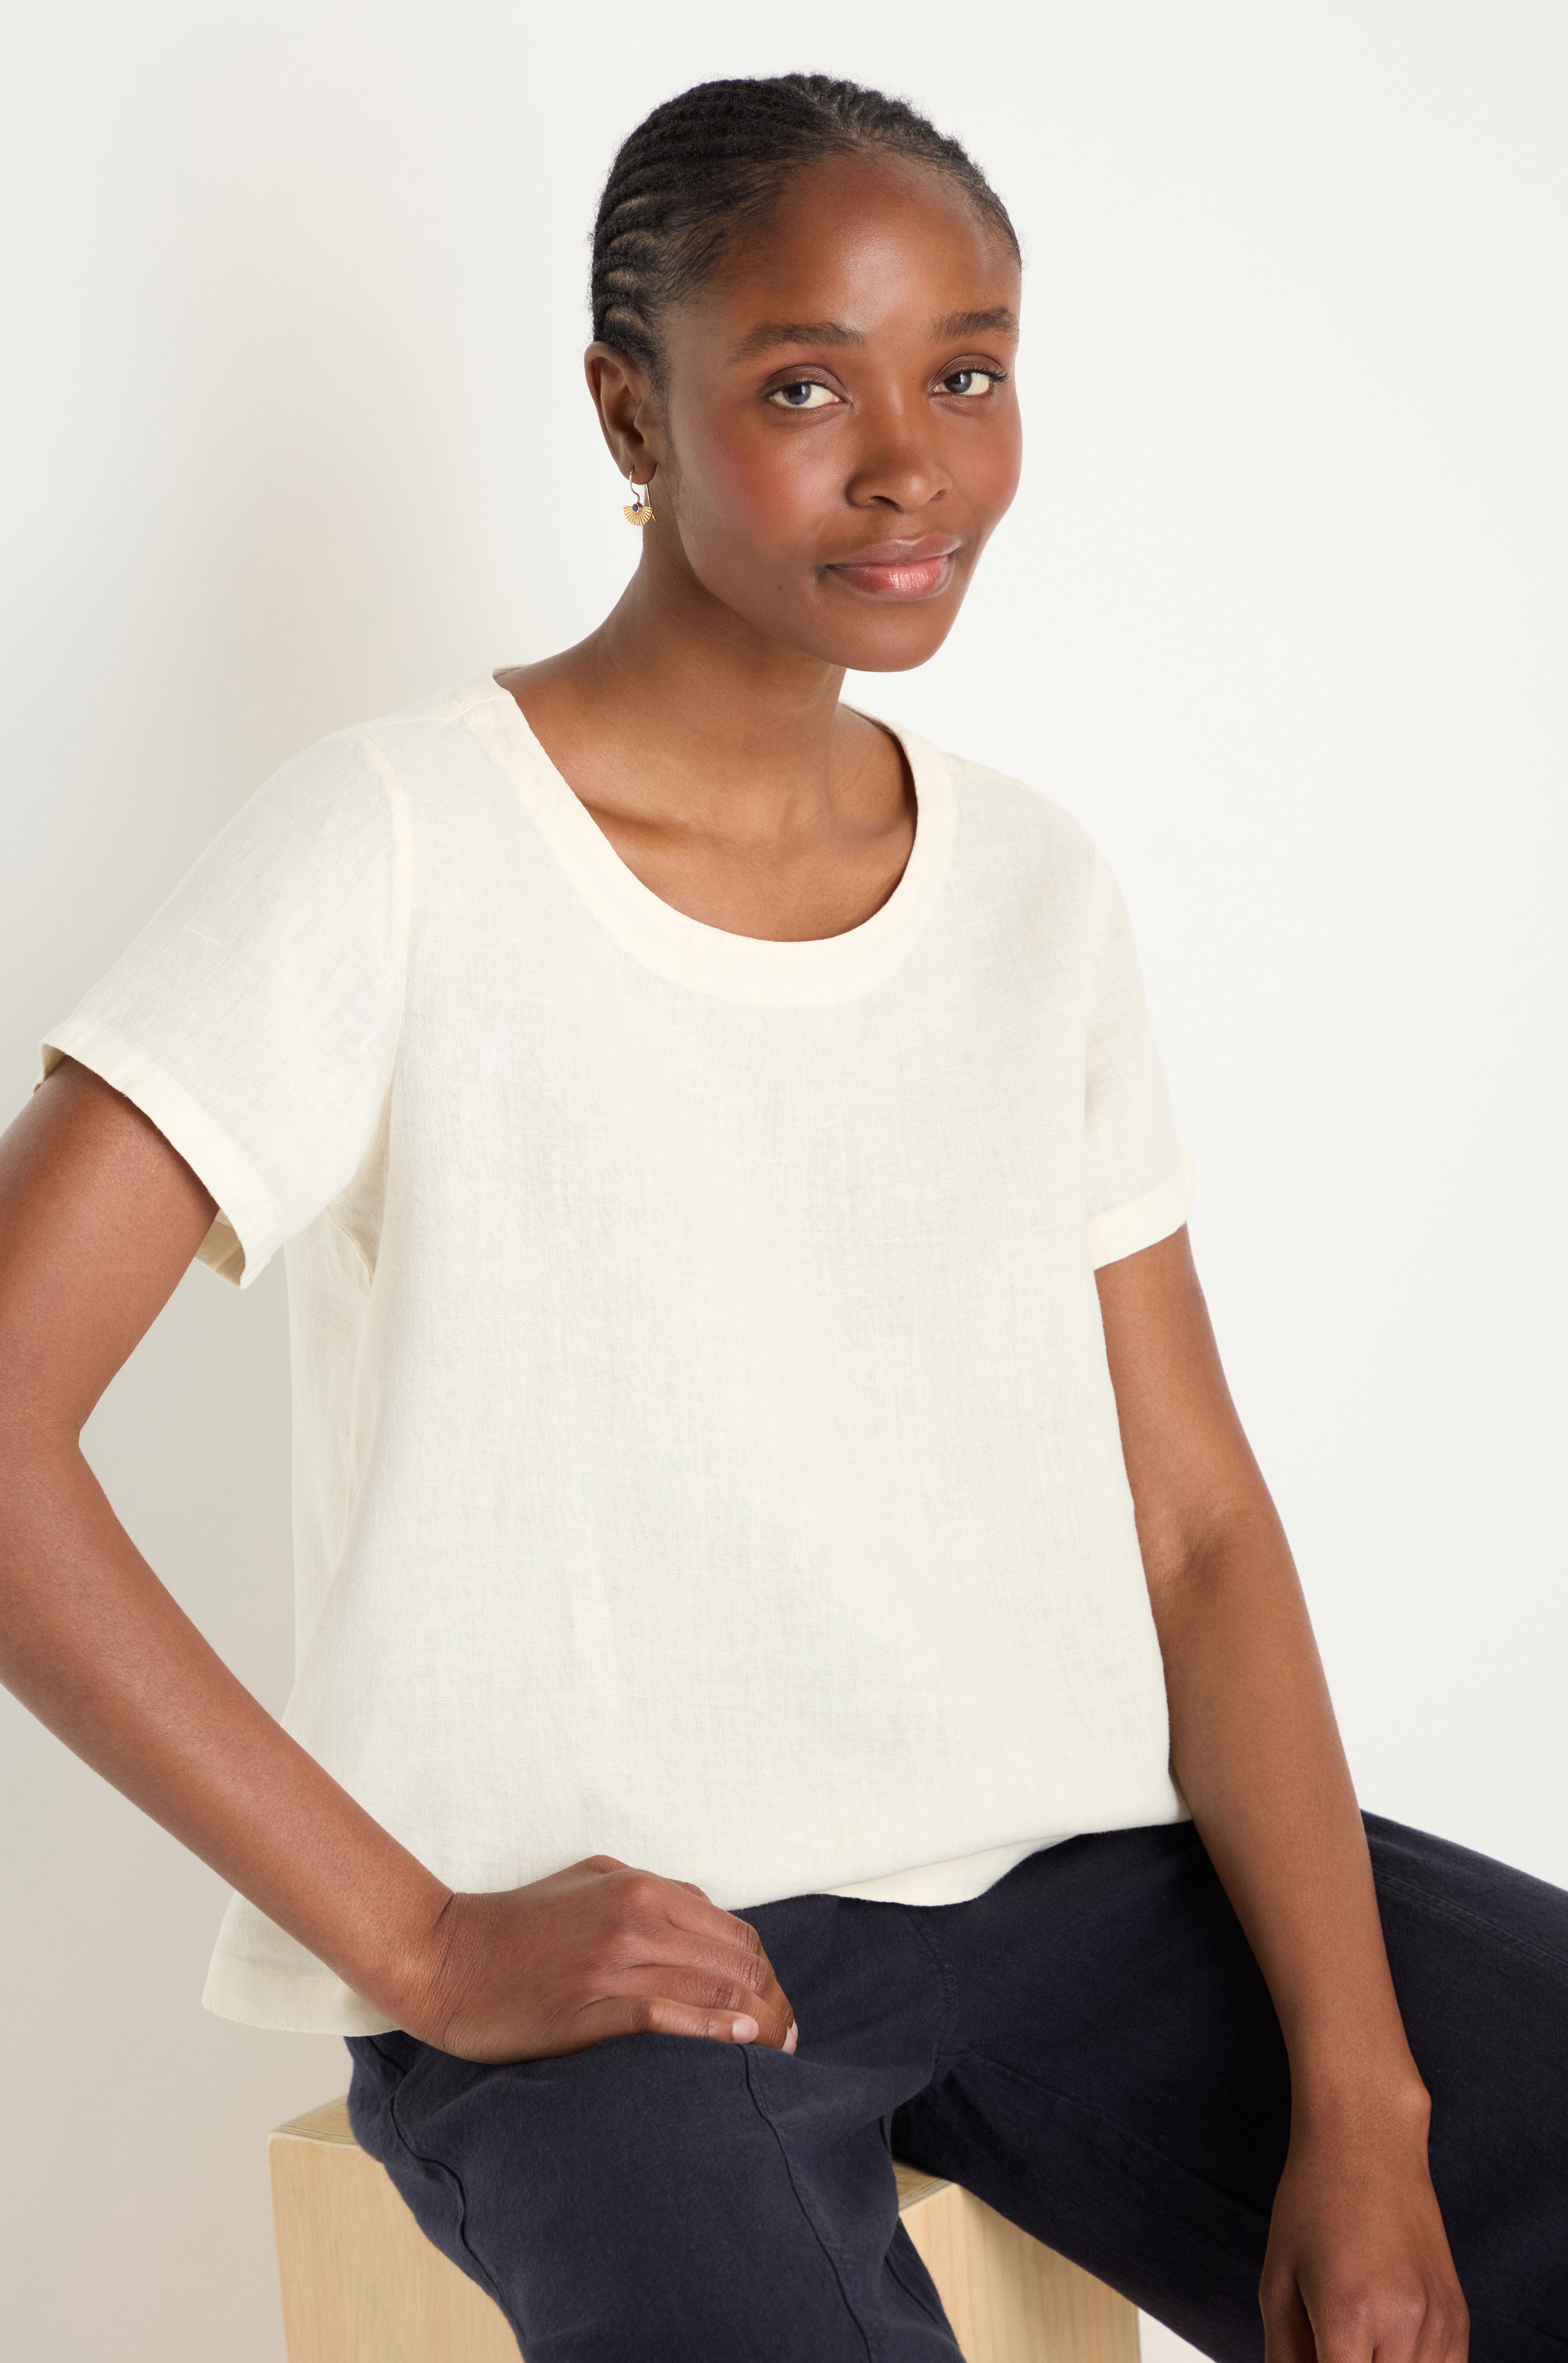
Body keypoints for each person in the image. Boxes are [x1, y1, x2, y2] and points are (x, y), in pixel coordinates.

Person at [0, 70, 1562, 2363]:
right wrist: (423, 1944)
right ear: (630, 413)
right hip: (618, 1959)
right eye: (808, 387)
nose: (911, 462)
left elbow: (1198, 1528)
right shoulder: (400, 843)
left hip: (1079, 1890)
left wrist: (1368, 2093)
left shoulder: (1032, 887)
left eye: (971, 372)